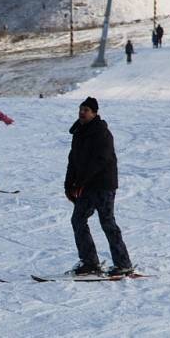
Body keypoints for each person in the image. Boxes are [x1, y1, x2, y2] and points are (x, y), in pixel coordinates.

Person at [65, 97, 134, 276]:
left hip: (103, 185)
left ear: (94, 113)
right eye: (81, 109)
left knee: (107, 222)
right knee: (78, 219)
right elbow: (73, 160)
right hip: (86, 186)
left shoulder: (102, 133)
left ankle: (123, 264)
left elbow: (100, 161)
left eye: (86, 110)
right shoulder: (78, 132)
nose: (82, 112)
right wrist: (68, 184)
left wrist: (80, 182)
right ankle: (89, 262)